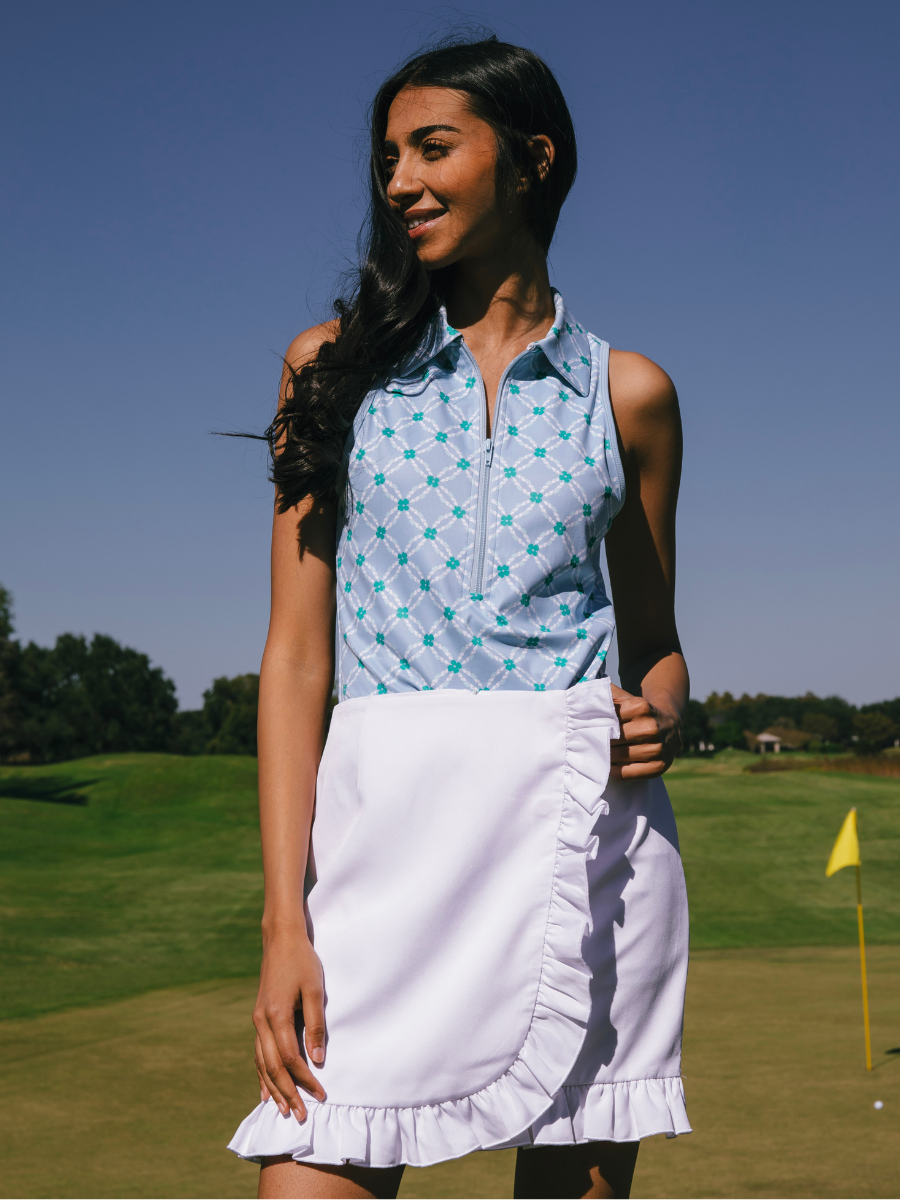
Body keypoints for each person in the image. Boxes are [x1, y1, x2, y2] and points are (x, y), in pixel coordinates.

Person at [228, 37, 690, 1200]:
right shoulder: (329, 370)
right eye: (388, 158)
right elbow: (294, 663)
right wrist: (287, 923)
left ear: (530, 161)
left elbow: (657, 644)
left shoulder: (628, 396)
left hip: (585, 849)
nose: (399, 183)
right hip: (384, 850)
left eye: (434, 148)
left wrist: (663, 714)